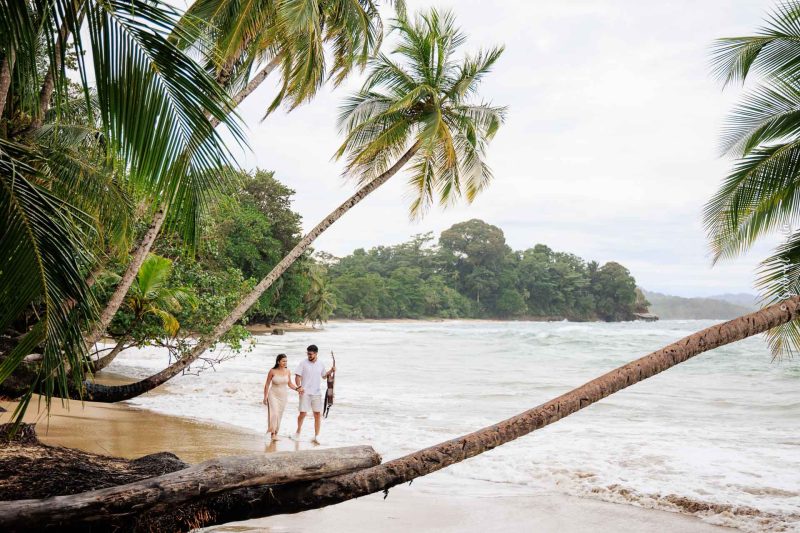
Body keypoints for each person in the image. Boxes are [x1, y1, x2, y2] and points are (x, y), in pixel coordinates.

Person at [293, 344, 335, 444]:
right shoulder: (303, 363)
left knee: (317, 414)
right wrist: (299, 387)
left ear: (316, 353)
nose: (309, 356)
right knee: (303, 413)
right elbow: (297, 376)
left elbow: (324, 376)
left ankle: (317, 436)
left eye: (311, 354)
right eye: (308, 354)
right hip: (305, 392)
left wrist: (331, 371)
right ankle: (298, 432)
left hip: (316, 393)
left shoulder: (320, 363)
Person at [263, 354, 302, 441]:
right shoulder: (272, 371)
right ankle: (271, 433)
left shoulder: (288, 371)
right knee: (274, 414)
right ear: (278, 362)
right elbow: (267, 384)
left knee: (279, 415)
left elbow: (290, 384)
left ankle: (275, 433)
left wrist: (297, 389)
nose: (285, 362)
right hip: (273, 394)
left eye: (286, 361)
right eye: (283, 361)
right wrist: (265, 397)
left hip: (283, 396)